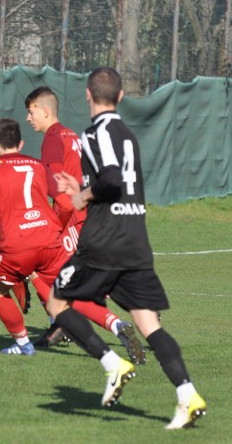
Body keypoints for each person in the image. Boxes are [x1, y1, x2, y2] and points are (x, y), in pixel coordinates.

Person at [47, 67, 206, 429]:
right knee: (148, 324)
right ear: (120, 97)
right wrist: (84, 184)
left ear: (88, 95)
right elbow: (115, 178)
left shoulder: (95, 133)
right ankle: (187, 395)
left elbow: (112, 179)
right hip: (135, 241)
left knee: (57, 302)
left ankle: (112, 363)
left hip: (105, 241)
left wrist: (80, 197)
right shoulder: (128, 135)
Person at [0, 118, 143, 357]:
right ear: (21, 143)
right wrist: (54, 227)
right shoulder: (37, 165)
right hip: (49, 240)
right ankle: (117, 325)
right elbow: (65, 203)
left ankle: (24, 345)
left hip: (18, 243)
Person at [24, 87, 145, 360]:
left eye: (31, 112)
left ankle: (119, 316)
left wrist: (54, 227)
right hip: (86, 216)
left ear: (45, 110)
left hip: (71, 220)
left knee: (48, 276)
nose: (28, 118)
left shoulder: (53, 138)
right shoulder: (70, 134)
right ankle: (62, 325)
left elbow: (63, 197)